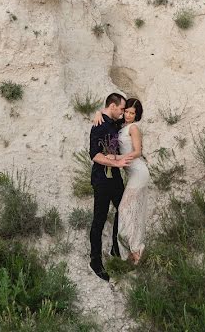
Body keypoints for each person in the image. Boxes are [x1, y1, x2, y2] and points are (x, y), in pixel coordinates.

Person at [88, 92, 131, 281]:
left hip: (115, 179)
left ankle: (115, 249)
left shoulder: (114, 123)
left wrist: (99, 110)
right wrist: (116, 164)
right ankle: (95, 261)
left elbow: (132, 117)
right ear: (112, 106)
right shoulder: (98, 126)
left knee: (123, 210)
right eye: (121, 109)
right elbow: (94, 155)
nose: (123, 113)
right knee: (99, 219)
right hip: (102, 180)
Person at [115, 98, 151, 264]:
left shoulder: (133, 127)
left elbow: (137, 152)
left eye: (132, 113)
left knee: (125, 208)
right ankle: (134, 250)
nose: (128, 115)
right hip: (133, 173)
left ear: (137, 115)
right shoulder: (122, 126)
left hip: (139, 172)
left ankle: (136, 249)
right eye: (127, 112)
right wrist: (96, 114)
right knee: (132, 211)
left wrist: (117, 158)